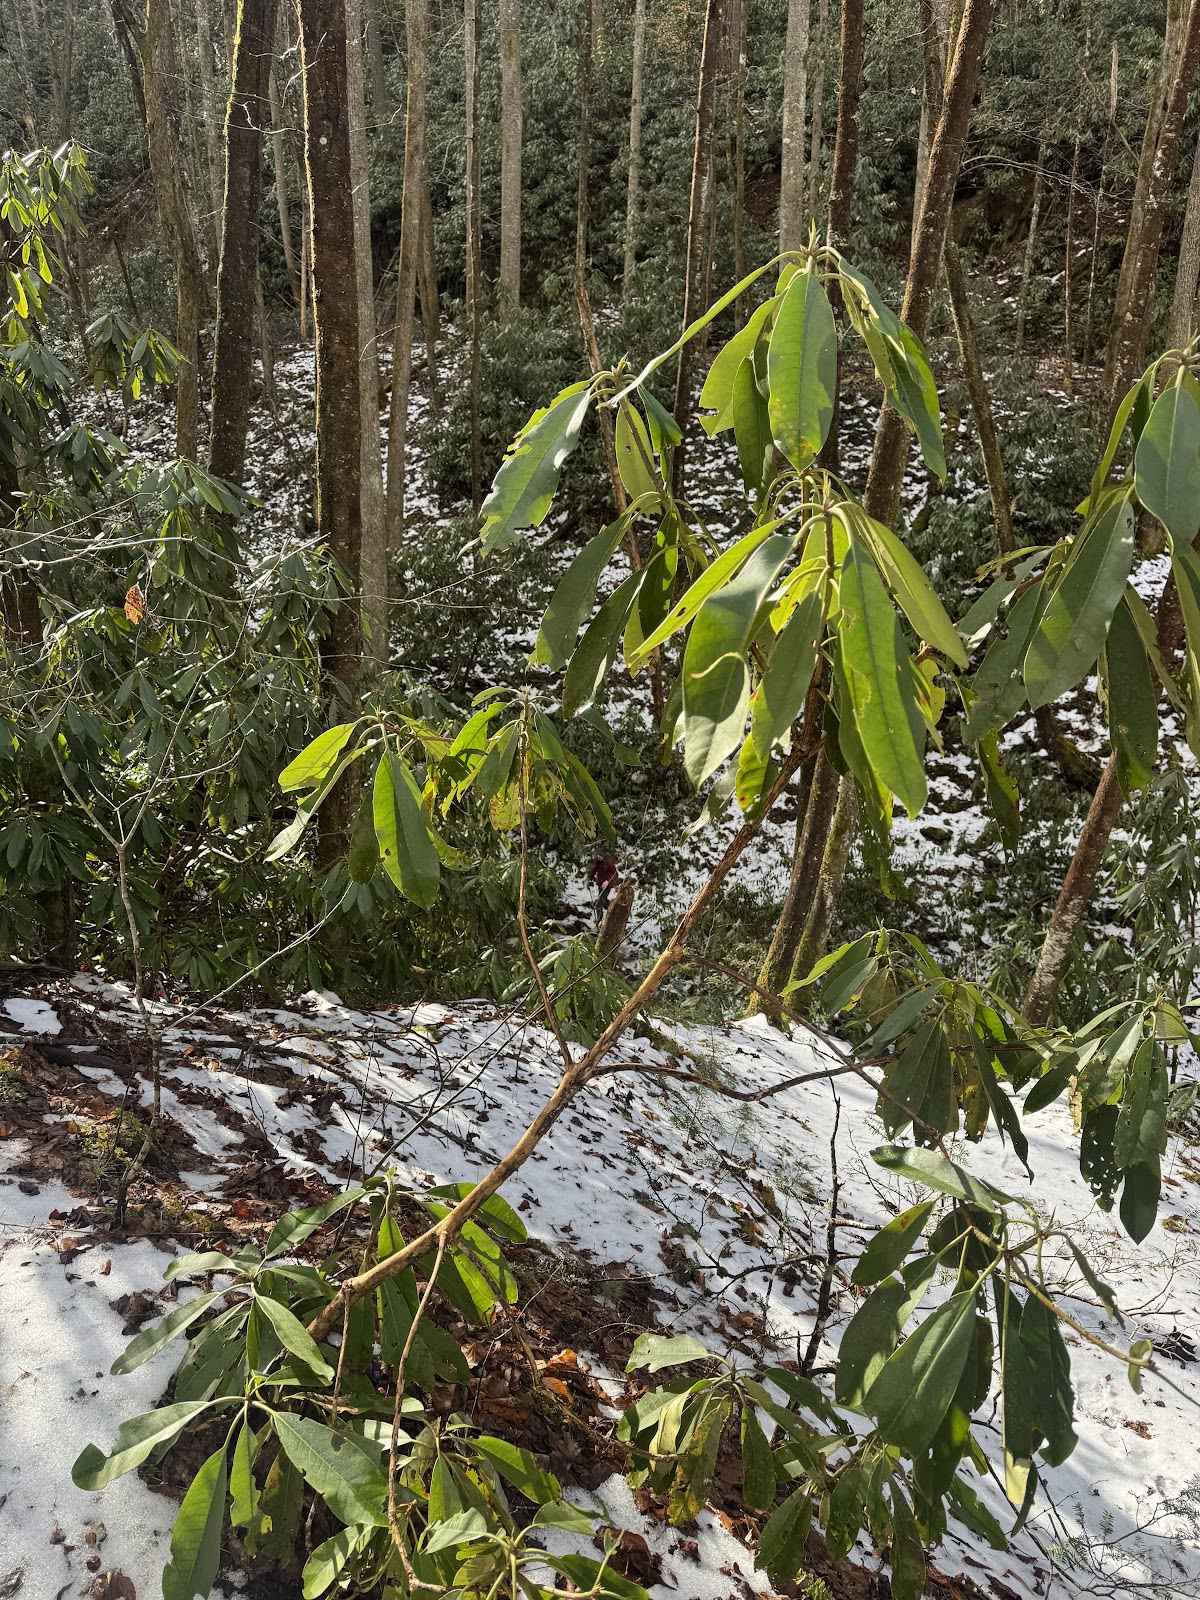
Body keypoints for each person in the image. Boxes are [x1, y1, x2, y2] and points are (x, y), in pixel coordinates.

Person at [587, 854, 619, 922]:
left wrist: (607, 881)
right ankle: (614, 910)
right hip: (600, 885)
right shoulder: (598, 863)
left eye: (600, 856)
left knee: (599, 904)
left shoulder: (608, 863)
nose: (599, 858)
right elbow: (593, 871)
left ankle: (599, 920)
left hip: (607, 885)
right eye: (597, 856)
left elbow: (615, 874)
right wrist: (589, 879)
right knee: (603, 901)